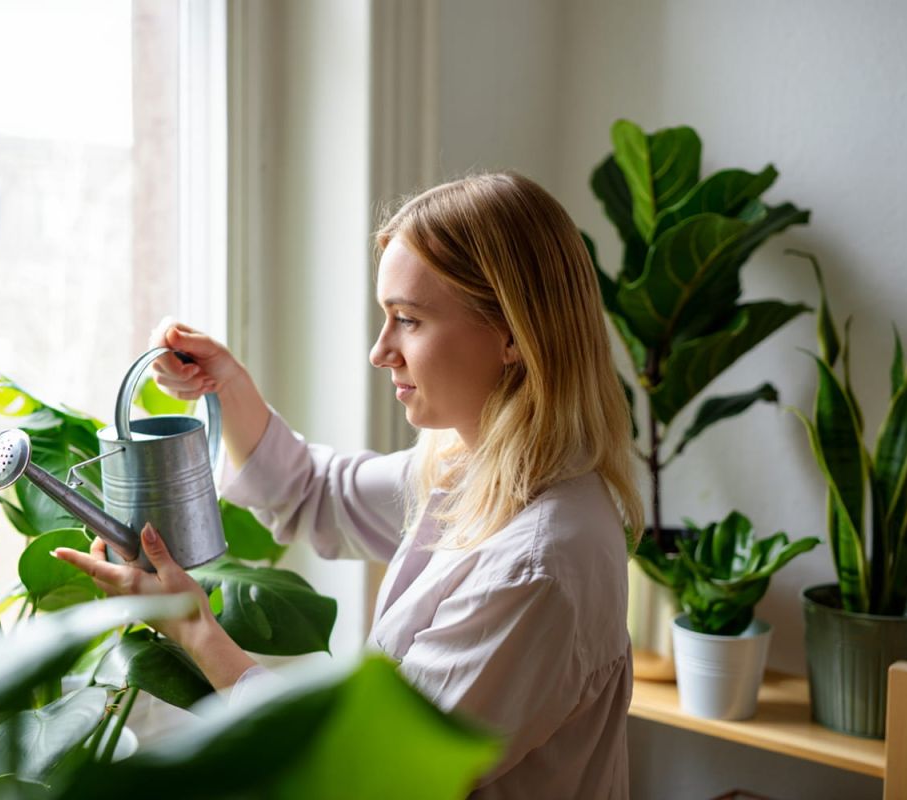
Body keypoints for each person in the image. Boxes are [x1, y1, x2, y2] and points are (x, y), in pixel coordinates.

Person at [54, 172, 645, 798]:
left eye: (408, 320)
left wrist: (195, 626)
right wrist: (225, 383)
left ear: (512, 336)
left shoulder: (539, 566)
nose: (380, 349)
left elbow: (371, 773)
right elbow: (318, 491)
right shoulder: (470, 466)